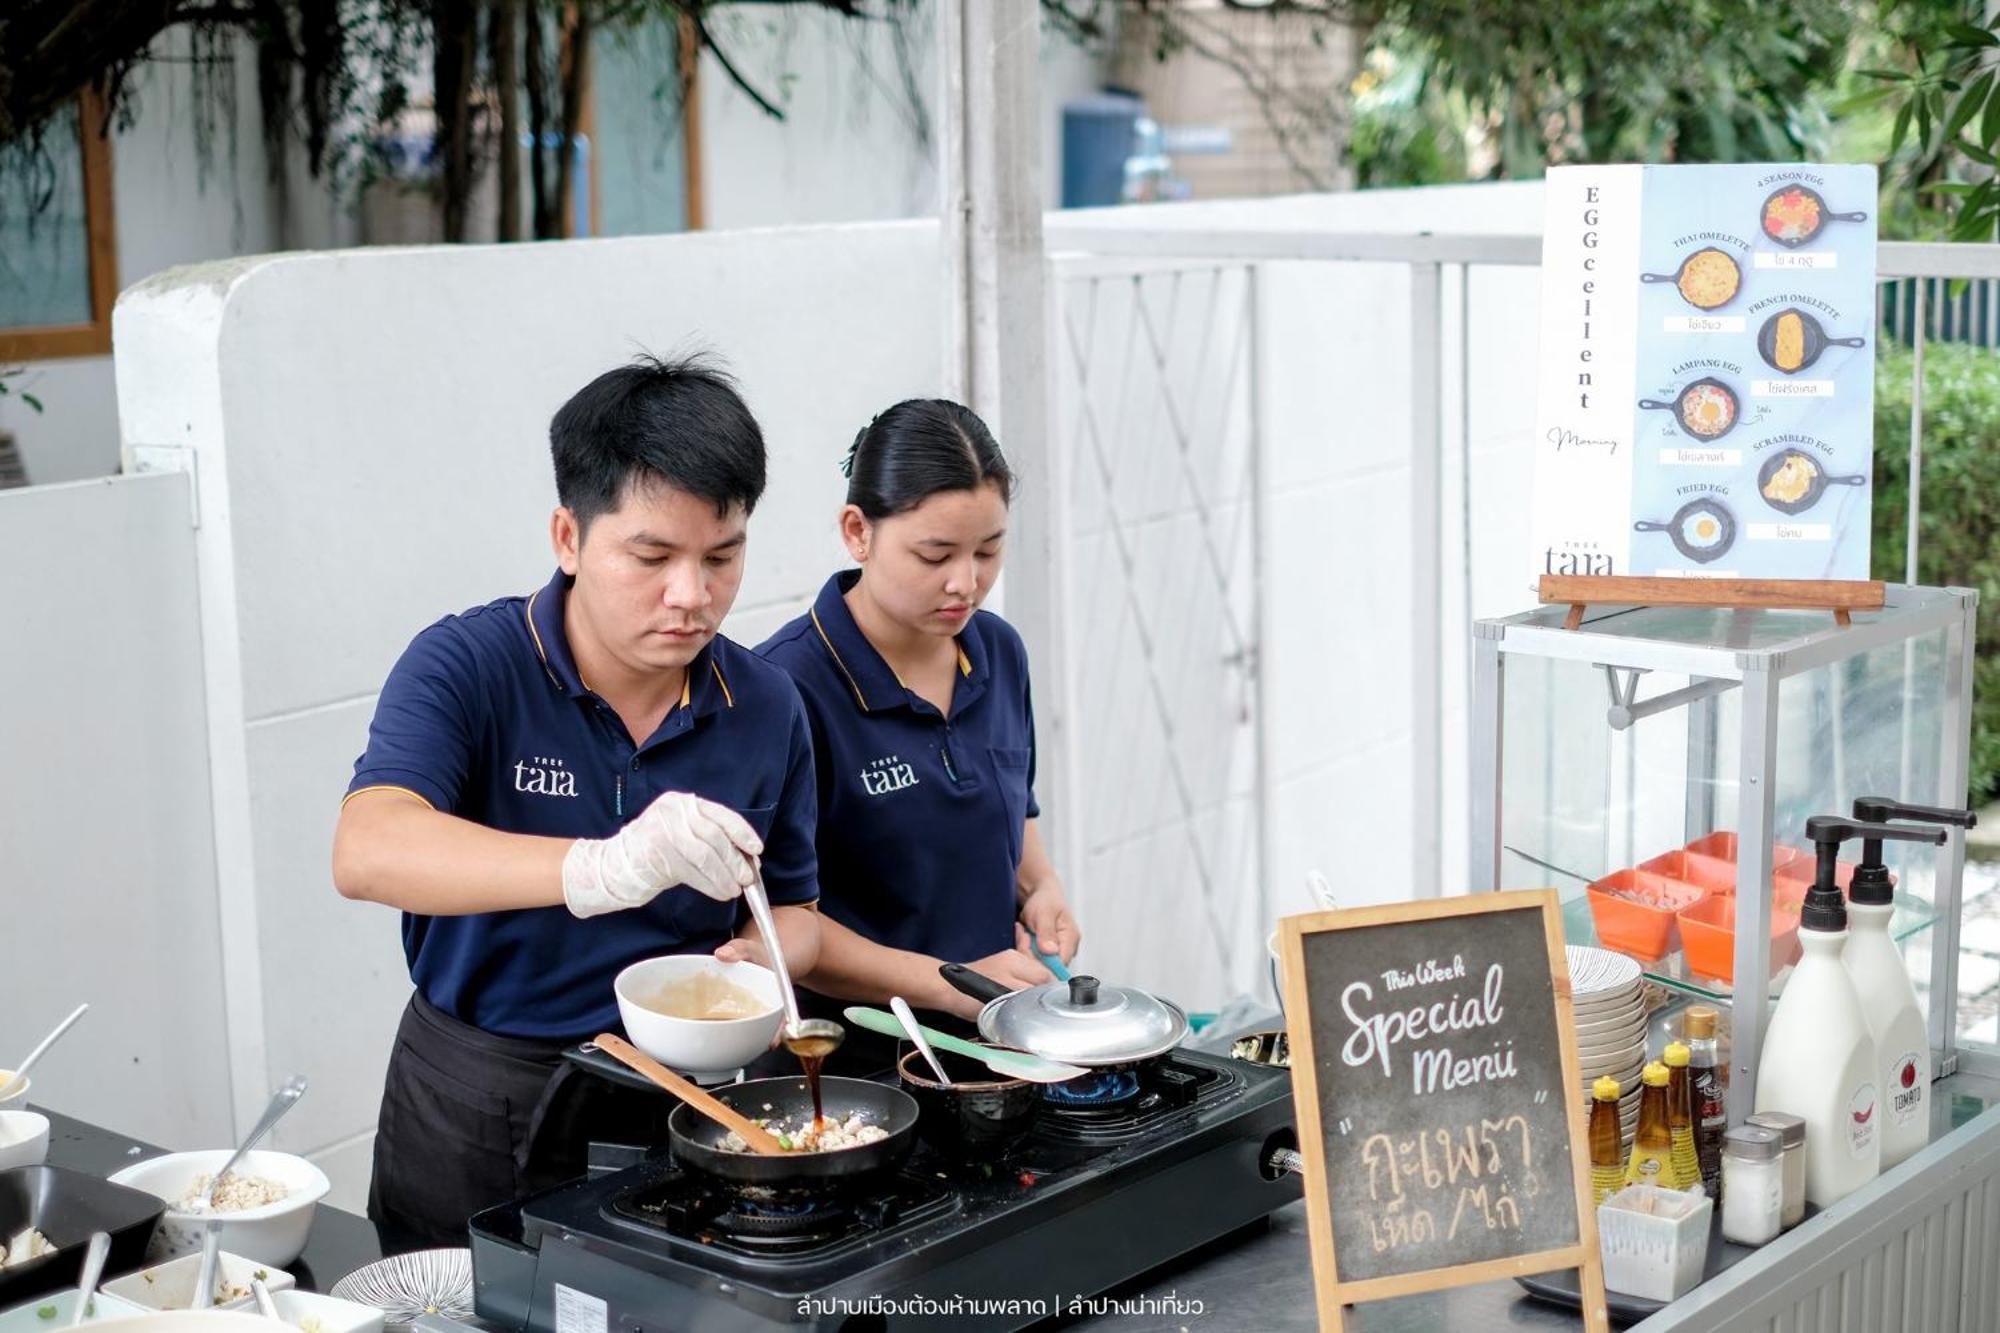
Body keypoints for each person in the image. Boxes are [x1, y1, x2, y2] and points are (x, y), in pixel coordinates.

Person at [332, 354, 821, 1251]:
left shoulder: (766, 705)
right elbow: (368, 849)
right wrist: (600, 866)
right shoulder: (469, 666)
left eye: (723, 556)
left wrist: (763, 955)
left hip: (686, 1098)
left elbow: (796, 907)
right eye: (652, 555)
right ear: (568, 536)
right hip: (478, 1091)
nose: (692, 595)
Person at [758, 399, 1077, 1064]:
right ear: (858, 531)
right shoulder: (785, 688)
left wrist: (1041, 886)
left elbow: (1013, 806)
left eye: (989, 550)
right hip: (852, 1061)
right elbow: (779, 924)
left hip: (994, 1039)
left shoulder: (996, 649)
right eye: (935, 554)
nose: (967, 583)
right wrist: (952, 984)